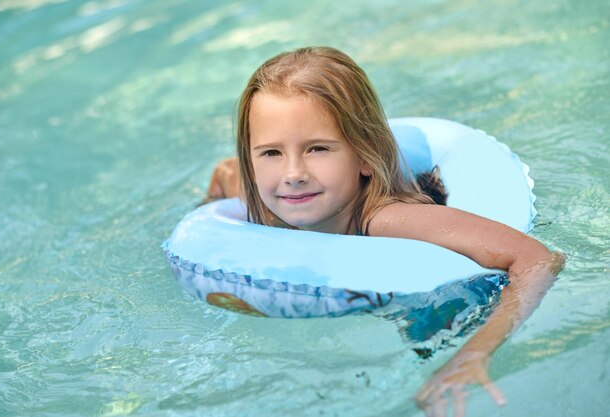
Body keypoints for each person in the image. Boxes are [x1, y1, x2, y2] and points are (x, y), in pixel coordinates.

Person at [203, 46, 564, 416]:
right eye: (271, 153)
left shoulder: (388, 221)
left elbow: (537, 258)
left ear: (364, 154)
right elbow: (227, 175)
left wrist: (473, 354)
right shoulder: (260, 204)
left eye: (317, 149)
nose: (293, 173)